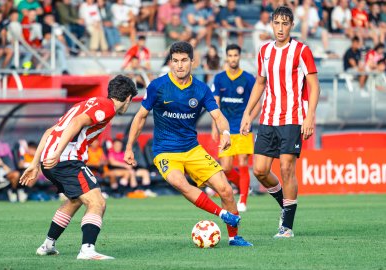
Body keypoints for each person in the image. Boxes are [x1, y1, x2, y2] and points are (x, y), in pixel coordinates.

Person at [124, 41, 252, 247]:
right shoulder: (157, 86)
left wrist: (226, 132)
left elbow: (218, 115)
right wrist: (129, 147)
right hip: (165, 151)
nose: (179, 65)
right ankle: (223, 214)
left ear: (192, 62)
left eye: (184, 60)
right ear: (170, 62)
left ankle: (235, 237)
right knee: (179, 182)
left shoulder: (201, 89)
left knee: (226, 190)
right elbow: (140, 118)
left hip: (192, 149)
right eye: (175, 61)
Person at [19, 75, 138, 260]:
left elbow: (50, 131)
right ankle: (87, 250)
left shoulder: (83, 104)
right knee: (97, 202)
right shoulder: (107, 107)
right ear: (128, 97)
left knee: (75, 200)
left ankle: (47, 245)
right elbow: (76, 123)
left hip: (50, 160)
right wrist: (58, 153)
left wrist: (35, 163)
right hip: (66, 159)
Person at [240, 6, 320, 238]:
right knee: (260, 170)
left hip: (293, 118)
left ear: (292, 25)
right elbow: (260, 84)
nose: (281, 28)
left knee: (286, 168)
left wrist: (309, 116)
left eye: (285, 24)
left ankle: (287, 226)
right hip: (267, 118)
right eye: (277, 23)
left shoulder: (301, 51)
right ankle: (287, 206)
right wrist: (248, 114)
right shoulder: (264, 51)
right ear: (272, 25)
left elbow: (314, 85)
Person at [211, 44, 257, 212]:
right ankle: (244, 187)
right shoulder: (219, 78)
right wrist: (215, 126)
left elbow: (257, 102)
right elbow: (214, 103)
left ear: (239, 57)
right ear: (226, 57)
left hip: (243, 126)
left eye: (235, 55)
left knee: (244, 162)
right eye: (230, 55)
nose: (233, 58)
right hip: (226, 128)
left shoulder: (248, 79)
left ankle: (243, 200)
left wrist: (249, 119)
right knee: (227, 168)